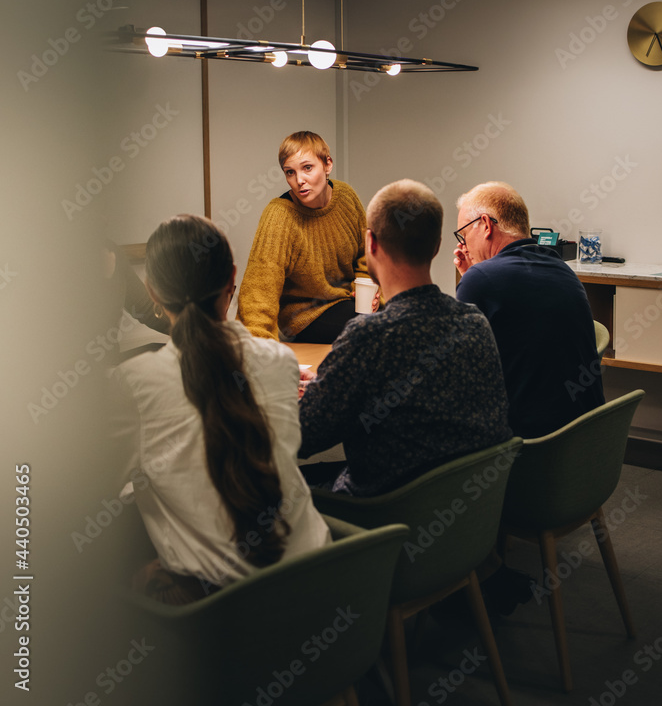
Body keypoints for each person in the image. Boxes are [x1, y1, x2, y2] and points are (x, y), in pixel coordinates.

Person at [108, 214, 330, 602]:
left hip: (226, 622)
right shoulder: (280, 362)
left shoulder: (132, 385)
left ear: (153, 293)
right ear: (232, 278)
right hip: (325, 585)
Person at [298, 179, 512, 496]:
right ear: (437, 245)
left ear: (371, 244)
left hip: (383, 520)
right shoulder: (475, 323)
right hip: (470, 515)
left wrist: (295, 391)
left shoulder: (369, 336)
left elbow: (303, 435)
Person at [454, 181, 604, 438]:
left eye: (464, 234)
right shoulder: (564, 272)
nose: (464, 245)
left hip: (531, 450)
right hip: (585, 443)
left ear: (486, 225)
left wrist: (471, 278)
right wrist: (473, 275)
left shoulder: (482, 280)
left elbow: (457, 373)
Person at [237, 131, 369, 343]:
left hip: (347, 302)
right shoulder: (279, 216)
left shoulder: (346, 196)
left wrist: (366, 284)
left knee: (399, 316)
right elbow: (259, 290)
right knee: (370, 331)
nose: (299, 181)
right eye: (290, 172)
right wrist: (259, 346)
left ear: (328, 165)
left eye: (307, 168)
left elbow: (366, 254)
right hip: (304, 316)